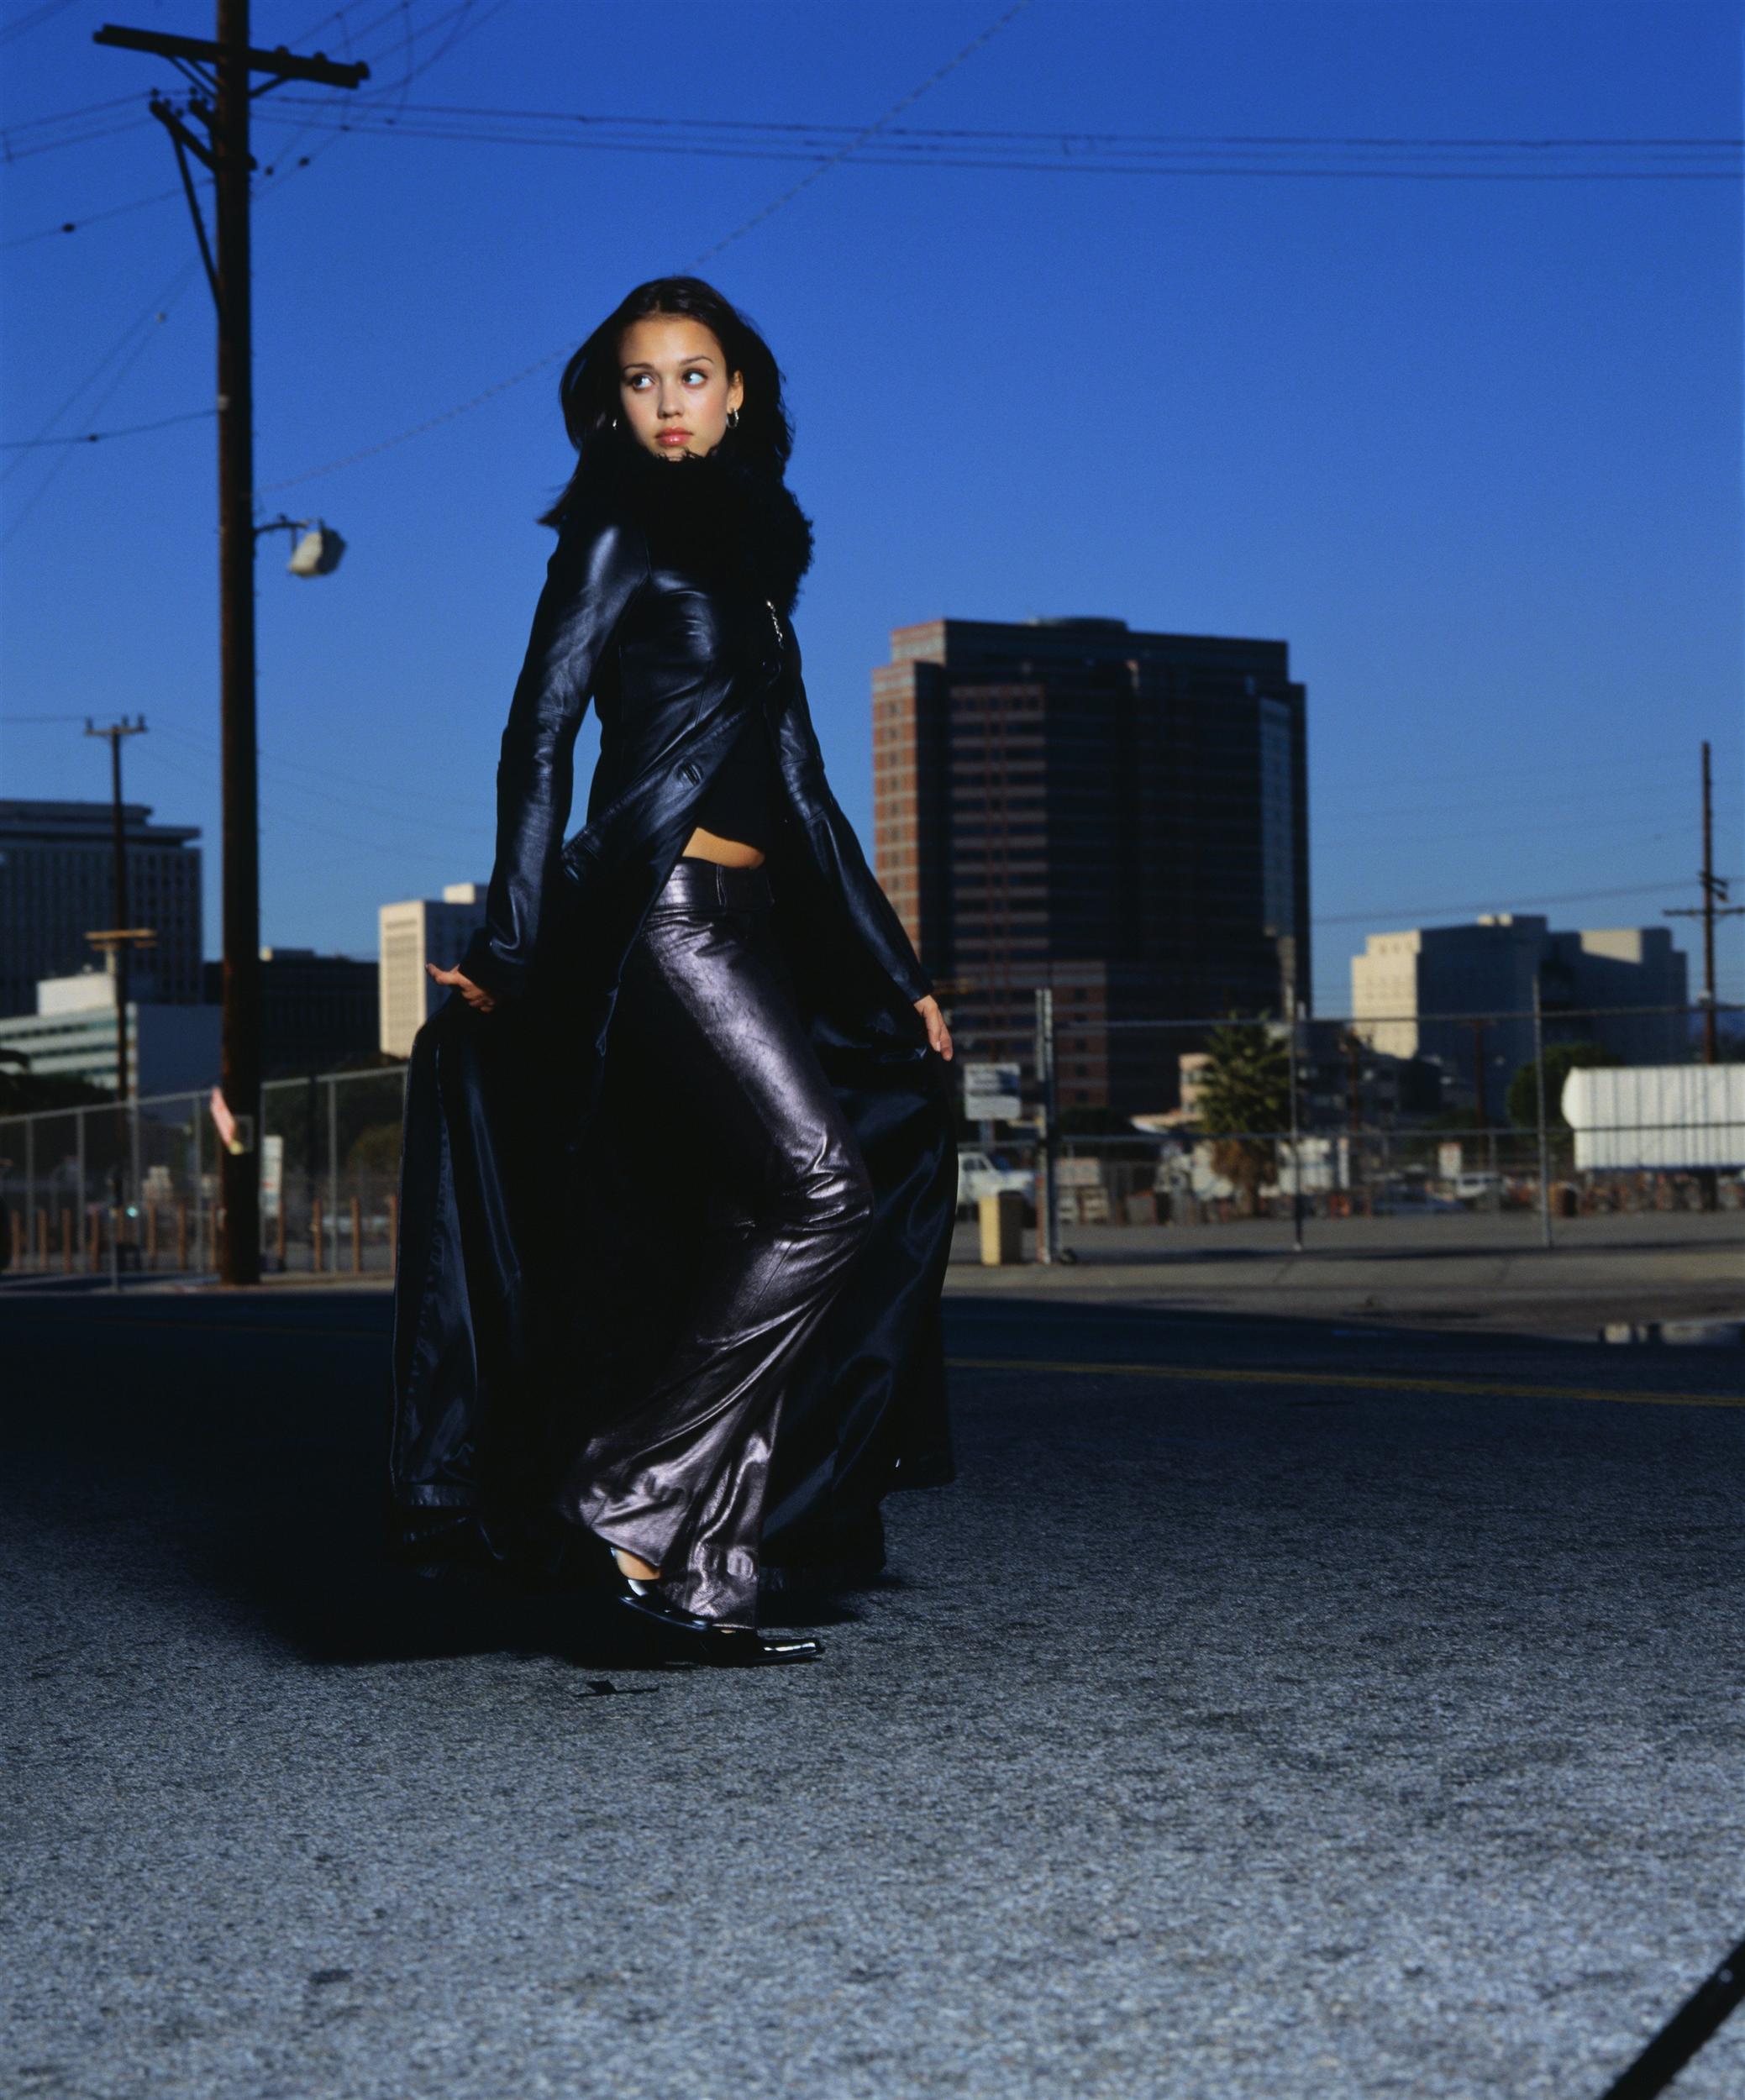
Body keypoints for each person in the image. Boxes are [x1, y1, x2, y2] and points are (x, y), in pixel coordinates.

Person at [392, 276, 957, 1668]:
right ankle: (627, 1482)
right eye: (640, 381)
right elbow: (538, 737)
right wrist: (513, 938)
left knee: (749, 1220)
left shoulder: (752, 563)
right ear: (610, 403)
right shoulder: (613, 534)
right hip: (663, 916)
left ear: (738, 390)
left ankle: (706, 1575)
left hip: (754, 924)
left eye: (691, 376)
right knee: (821, 1190)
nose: (667, 404)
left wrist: (897, 975)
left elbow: (806, 790)